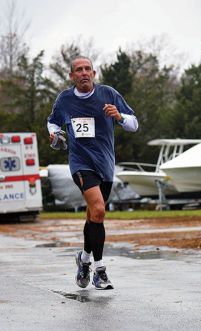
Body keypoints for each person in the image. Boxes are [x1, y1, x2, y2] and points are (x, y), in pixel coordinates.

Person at [47, 56, 138, 290]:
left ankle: (84, 260)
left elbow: (133, 124)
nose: (84, 73)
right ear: (72, 76)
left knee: (93, 216)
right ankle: (99, 270)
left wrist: (118, 116)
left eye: (88, 69)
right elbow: (52, 122)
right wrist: (55, 135)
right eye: (79, 70)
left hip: (105, 165)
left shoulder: (108, 94)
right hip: (80, 163)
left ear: (94, 73)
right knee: (98, 209)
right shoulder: (65, 99)